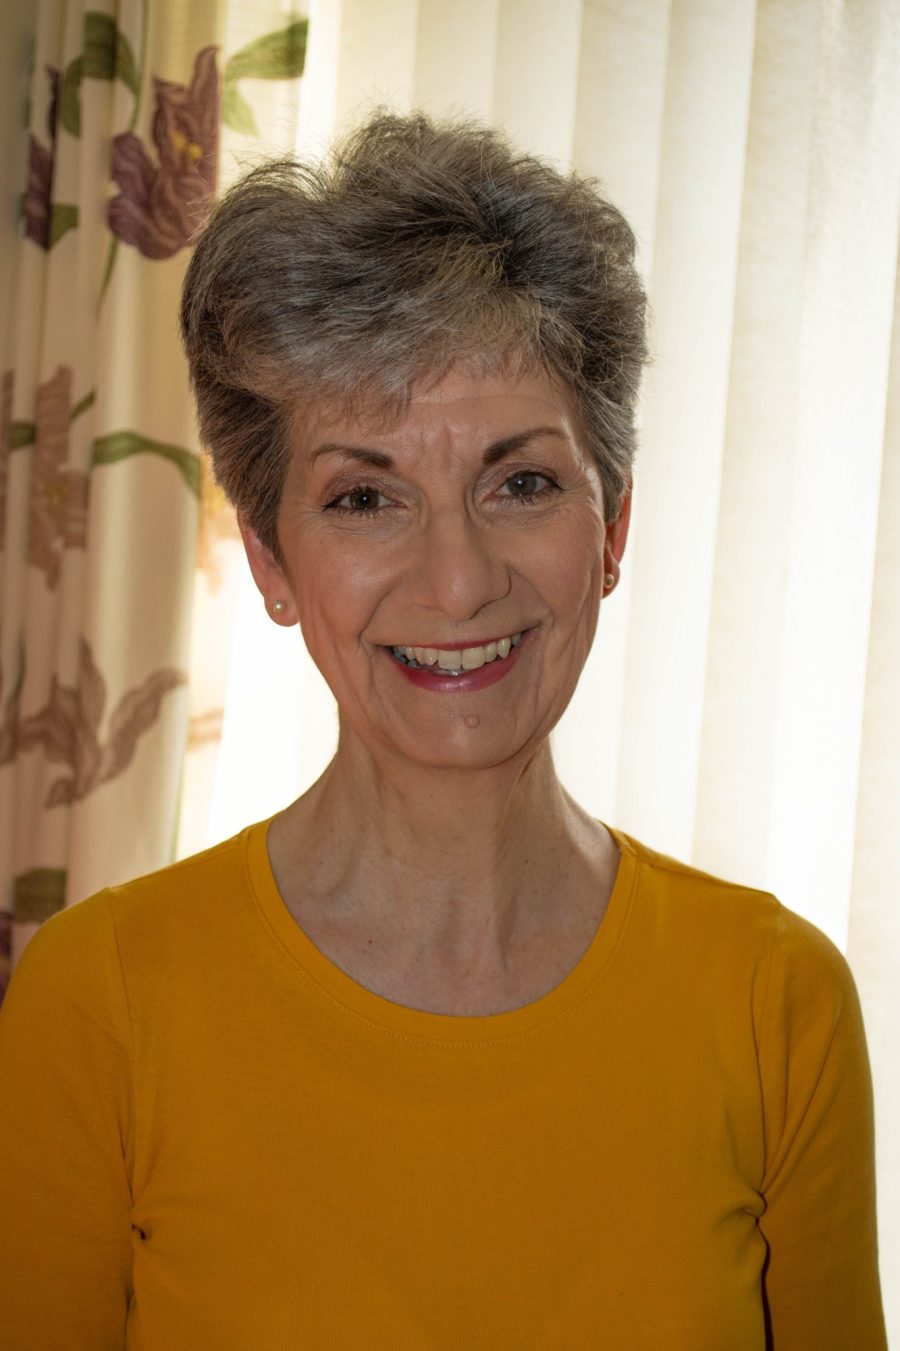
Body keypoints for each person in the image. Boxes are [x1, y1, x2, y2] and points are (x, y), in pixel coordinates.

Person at [0, 112, 886, 1350]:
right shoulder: (98, 1008)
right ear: (268, 558)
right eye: (366, 497)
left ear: (613, 525)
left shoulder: (776, 1005)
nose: (458, 581)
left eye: (521, 481)